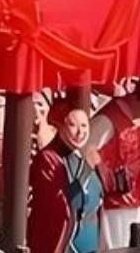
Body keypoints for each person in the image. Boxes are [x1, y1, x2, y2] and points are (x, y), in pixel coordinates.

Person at [27, 101, 102, 253]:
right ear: (60, 126)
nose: (80, 132)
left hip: (90, 241)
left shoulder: (82, 156)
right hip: (63, 244)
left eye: (84, 125)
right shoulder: (48, 159)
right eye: (73, 125)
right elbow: (65, 203)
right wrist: (87, 169)